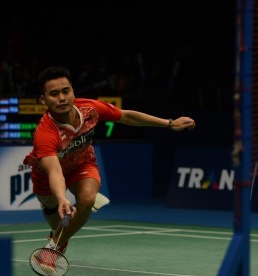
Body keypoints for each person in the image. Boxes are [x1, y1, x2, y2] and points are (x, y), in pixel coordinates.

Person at [23, 66, 196, 271]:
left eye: (66, 91)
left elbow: (126, 116)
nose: (61, 98)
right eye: (54, 94)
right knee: (56, 219)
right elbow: (54, 171)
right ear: (43, 100)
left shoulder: (89, 109)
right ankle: (59, 231)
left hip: (82, 164)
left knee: (85, 200)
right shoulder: (45, 133)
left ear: (73, 92)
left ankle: (51, 249)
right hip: (47, 175)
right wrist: (61, 198)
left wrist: (169, 123)